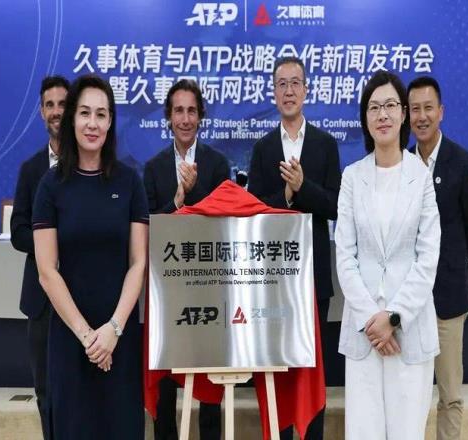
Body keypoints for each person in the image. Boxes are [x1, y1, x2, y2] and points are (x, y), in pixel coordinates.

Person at [32, 74, 148, 439]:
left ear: (111, 121)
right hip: (70, 339)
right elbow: (47, 271)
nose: (92, 123)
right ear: (72, 119)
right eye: (84, 113)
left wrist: (113, 329)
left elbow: (138, 263)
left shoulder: (129, 182)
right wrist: (88, 338)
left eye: (101, 114)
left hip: (120, 337)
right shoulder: (51, 185)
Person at [335, 70, 441, 440]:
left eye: (391, 105)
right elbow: (345, 257)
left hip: (408, 331)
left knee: (407, 433)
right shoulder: (352, 177)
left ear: (403, 114)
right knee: (363, 432)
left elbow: (427, 257)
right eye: (374, 107)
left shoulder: (421, 176)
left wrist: (394, 317)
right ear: (365, 118)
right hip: (365, 334)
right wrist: (373, 320)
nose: (383, 114)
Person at [248, 56, 341, 439]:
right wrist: (286, 197)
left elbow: (335, 205)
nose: (289, 91)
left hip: (314, 278)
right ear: (274, 92)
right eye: (282, 84)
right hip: (273, 280)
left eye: (295, 83)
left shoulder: (325, 144)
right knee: (280, 373)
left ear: (306, 90)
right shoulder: (263, 148)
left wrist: (303, 188)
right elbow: (254, 211)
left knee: (311, 372)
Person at [143, 79, 229, 440]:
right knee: (165, 386)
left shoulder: (218, 164)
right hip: (167, 293)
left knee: (210, 384)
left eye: (192, 111)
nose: (185, 119)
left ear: (201, 116)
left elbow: (225, 222)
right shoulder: (153, 168)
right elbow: (147, 228)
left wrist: (197, 195)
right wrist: (179, 199)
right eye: (178, 110)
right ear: (168, 117)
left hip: (208, 290)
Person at [408, 76, 468, 440]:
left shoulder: (463, 164)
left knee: (450, 394)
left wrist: (448, 262)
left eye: (428, 108)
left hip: (448, 299)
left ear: (441, 112)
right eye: (415, 109)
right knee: (409, 393)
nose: (421, 116)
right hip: (406, 302)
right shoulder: (399, 163)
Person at [10, 75, 69, 438]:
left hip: (81, 298)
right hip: (41, 303)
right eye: (50, 105)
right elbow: (18, 231)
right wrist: (48, 242)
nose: (56, 111)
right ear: (41, 112)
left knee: (78, 392)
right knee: (45, 393)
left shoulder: (89, 164)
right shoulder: (31, 170)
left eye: (63, 104)